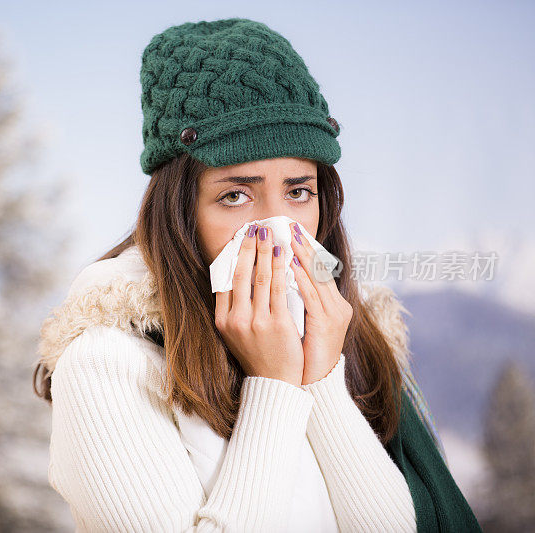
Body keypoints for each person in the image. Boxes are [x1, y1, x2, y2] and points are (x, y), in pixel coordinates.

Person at [33, 18, 481, 532]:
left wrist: (322, 378)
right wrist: (273, 386)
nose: (277, 231)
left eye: (298, 192)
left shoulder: (353, 340)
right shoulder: (108, 363)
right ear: (180, 211)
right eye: (235, 195)